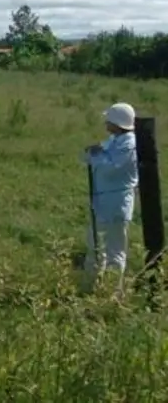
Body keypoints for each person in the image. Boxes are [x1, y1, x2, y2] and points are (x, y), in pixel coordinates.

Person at [79, 102, 138, 296]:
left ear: (117, 122)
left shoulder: (130, 144)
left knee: (115, 251)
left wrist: (94, 156)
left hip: (116, 204)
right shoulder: (114, 140)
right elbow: (92, 154)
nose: (106, 123)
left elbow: (110, 167)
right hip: (101, 203)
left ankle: (113, 293)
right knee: (94, 245)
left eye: (109, 119)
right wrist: (94, 151)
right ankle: (91, 287)